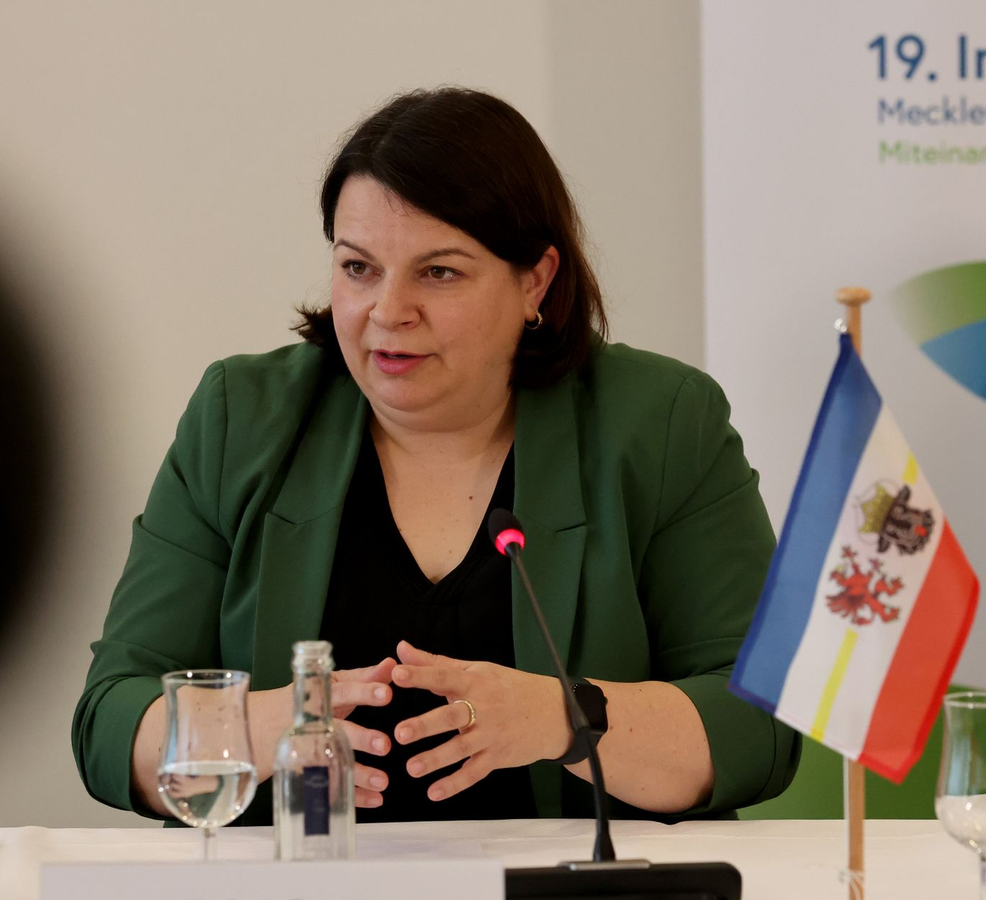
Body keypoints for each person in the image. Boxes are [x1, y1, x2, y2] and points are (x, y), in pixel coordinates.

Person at [72, 87, 799, 827]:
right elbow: (111, 720)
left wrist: (559, 717)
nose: (389, 311)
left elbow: (761, 724)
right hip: (307, 877)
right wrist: (264, 728)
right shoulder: (242, 419)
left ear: (535, 280)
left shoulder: (659, 422)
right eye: (359, 268)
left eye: (439, 272)